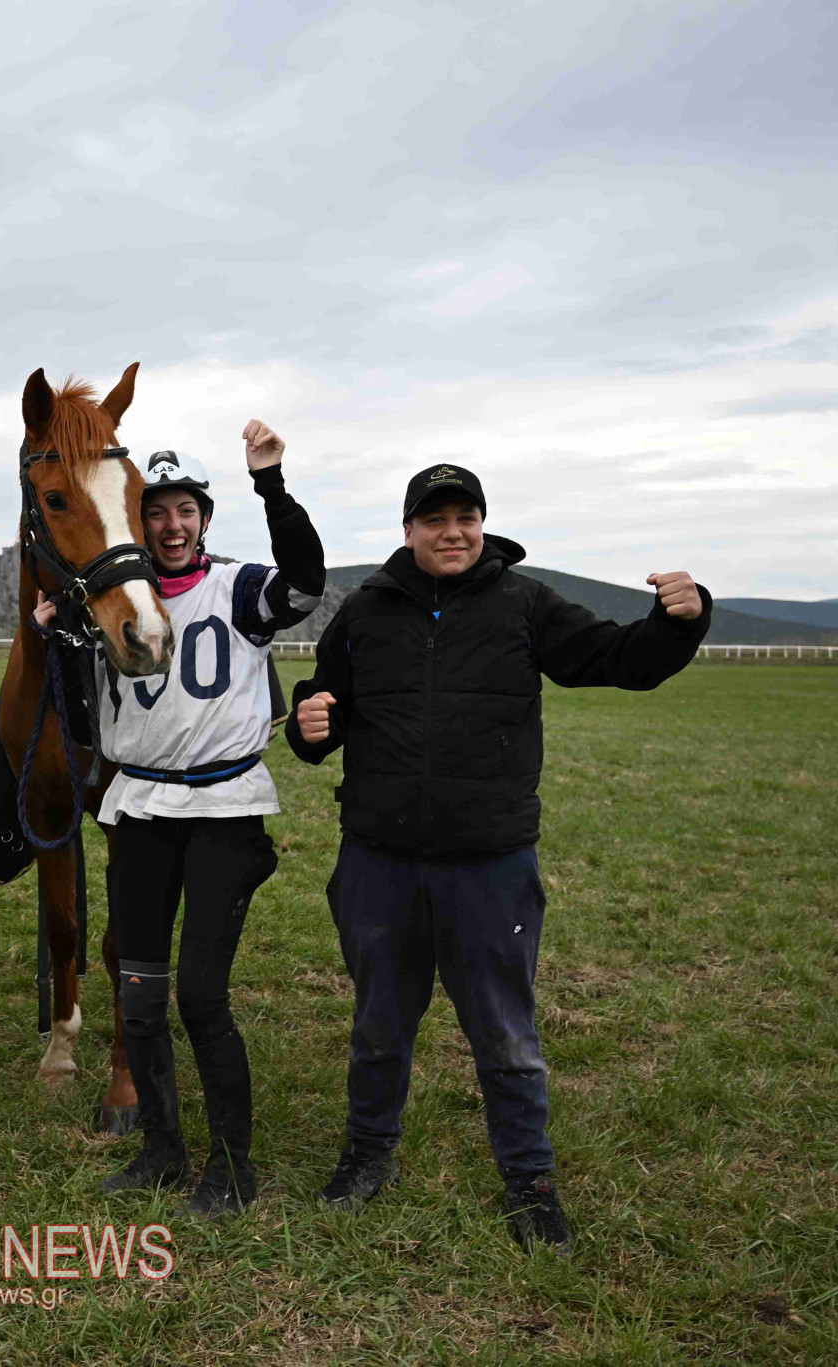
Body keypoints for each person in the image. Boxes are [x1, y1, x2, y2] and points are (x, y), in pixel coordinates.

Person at [286, 463, 711, 1254]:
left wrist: (679, 622)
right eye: (435, 518)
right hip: (379, 860)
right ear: (408, 529)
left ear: (482, 524)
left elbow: (621, 659)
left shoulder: (525, 603)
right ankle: (366, 1156)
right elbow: (326, 707)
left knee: (507, 1037)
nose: (453, 531)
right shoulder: (367, 610)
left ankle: (531, 1183)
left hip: (490, 865)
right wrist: (306, 725)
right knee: (379, 1025)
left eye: (466, 516)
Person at [37, 421, 326, 1216]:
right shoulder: (112, 598)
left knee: (200, 994)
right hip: (143, 810)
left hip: (224, 810)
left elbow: (305, 582)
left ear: (202, 517)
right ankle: (162, 1150)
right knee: (138, 994)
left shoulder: (237, 587)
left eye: (184, 511)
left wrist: (271, 483)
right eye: (155, 512)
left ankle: (233, 1166)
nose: (170, 526)